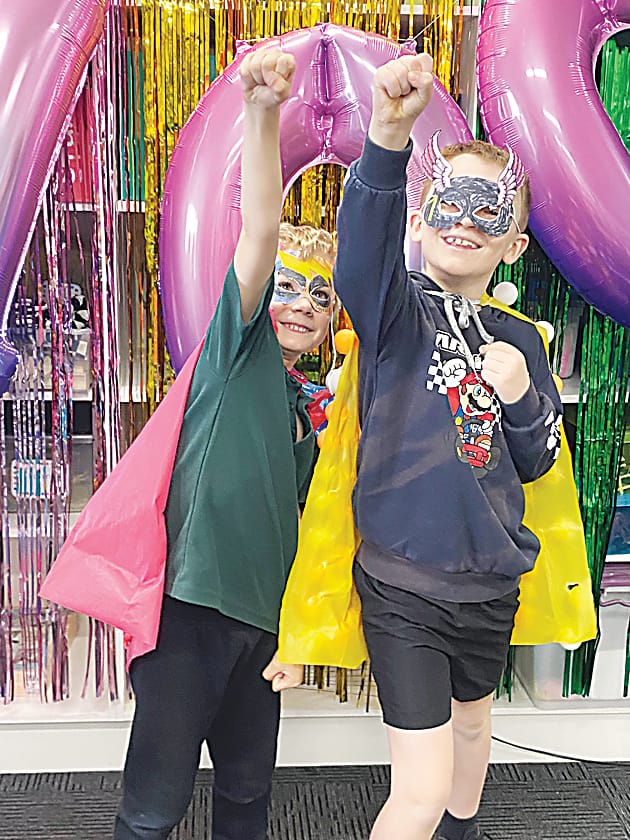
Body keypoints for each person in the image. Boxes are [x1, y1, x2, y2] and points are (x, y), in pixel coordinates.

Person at [333, 54, 563, 840]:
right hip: (405, 586)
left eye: (487, 210)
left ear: (514, 246)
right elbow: (360, 257)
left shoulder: (521, 340)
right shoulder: (394, 315)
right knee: (421, 791)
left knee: (472, 730)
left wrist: (522, 396)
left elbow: (537, 459)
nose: (465, 220)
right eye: (450, 201)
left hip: (491, 584)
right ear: (420, 219)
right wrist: (386, 138)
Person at [114, 47, 336, 840]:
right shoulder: (234, 353)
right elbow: (263, 228)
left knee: (248, 794)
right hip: (190, 614)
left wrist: (298, 630)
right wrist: (263, 114)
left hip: (263, 627)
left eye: (321, 295)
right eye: (289, 286)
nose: (303, 303)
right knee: (154, 805)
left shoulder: (311, 406)